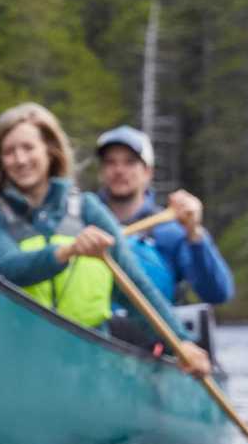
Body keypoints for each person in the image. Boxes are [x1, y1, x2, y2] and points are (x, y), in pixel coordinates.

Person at [0, 102, 208, 373]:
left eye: (28, 148)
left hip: (88, 360)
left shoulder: (88, 209)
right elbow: (10, 267)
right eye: (9, 152)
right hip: (14, 357)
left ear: (49, 151)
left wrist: (180, 342)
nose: (20, 159)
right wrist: (67, 251)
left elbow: (135, 287)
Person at [90, 124, 234, 309]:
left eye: (130, 162)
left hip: (153, 335)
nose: (119, 170)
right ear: (101, 170)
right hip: (90, 332)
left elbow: (218, 293)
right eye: (110, 162)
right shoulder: (83, 223)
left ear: (148, 172)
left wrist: (194, 234)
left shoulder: (170, 230)